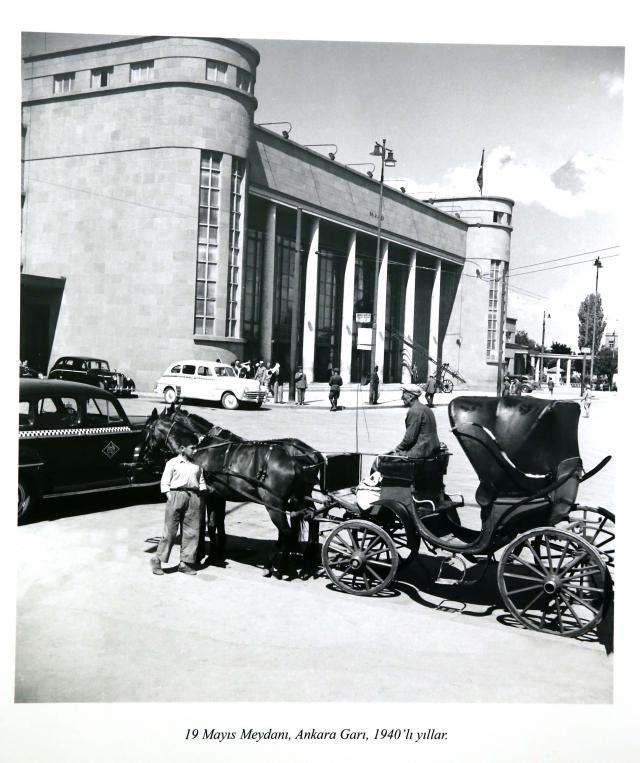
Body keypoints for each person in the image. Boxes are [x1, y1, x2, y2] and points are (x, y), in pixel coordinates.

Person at [150, 434, 207, 576]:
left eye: (196, 448)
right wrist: (170, 496)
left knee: (192, 532)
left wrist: (201, 497)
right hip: (175, 496)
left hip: (193, 497)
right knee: (170, 532)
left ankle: (184, 563)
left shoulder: (197, 464)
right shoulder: (172, 463)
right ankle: (157, 560)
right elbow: (165, 483)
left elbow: (201, 481)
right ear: (182, 449)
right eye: (192, 448)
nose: (195, 451)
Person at [392, 384, 440, 459]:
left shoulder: (414, 411)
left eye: (403, 395)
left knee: (383, 460)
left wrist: (396, 450)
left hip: (421, 451)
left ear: (411, 397)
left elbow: (409, 439)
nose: (401, 398)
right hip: (432, 448)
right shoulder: (426, 408)